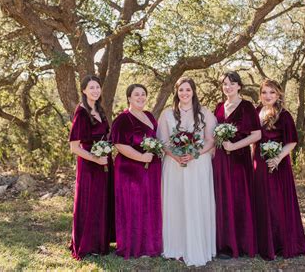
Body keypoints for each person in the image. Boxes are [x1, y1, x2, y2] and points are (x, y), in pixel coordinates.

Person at [158, 77, 217, 267]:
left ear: (193, 91)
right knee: (176, 202)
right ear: (176, 92)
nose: (184, 93)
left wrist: (194, 154)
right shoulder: (167, 114)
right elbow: (164, 141)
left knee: (196, 201)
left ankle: (198, 244)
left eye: (188, 90)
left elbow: (210, 140)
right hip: (174, 164)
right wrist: (175, 155)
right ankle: (176, 245)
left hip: (198, 163)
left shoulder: (205, 113)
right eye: (181, 90)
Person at [254, 79, 305, 259]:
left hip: (278, 165)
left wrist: (277, 158)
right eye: (264, 92)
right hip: (259, 164)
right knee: (261, 201)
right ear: (260, 94)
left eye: (272, 93)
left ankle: (278, 245)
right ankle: (262, 244)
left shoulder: (284, 115)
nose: (267, 96)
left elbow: (292, 141)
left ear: (278, 95)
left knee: (276, 203)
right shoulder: (256, 112)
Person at [109, 84, 162, 259]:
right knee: (133, 207)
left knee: (149, 205)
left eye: (143, 94)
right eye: (136, 94)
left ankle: (150, 245)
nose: (140, 97)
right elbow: (119, 145)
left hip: (151, 170)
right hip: (130, 171)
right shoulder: (123, 119)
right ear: (129, 98)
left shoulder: (149, 116)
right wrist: (142, 158)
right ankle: (133, 247)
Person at [212, 71, 261, 258]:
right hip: (220, 159)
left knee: (239, 197)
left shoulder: (247, 107)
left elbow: (256, 135)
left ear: (239, 86)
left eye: (232, 83)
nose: (228, 87)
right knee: (221, 198)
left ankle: (240, 244)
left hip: (239, 159)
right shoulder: (218, 107)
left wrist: (234, 146)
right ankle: (223, 243)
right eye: (225, 84)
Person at [69, 74, 114, 260]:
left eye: (97, 87)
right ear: (84, 90)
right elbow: (74, 147)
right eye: (91, 87)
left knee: (101, 201)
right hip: (89, 165)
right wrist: (95, 159)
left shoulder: (99, 110)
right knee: (89, 201)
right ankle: (86, 244)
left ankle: (100, 243)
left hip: (103, 162)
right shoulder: (82, 112)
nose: (95, 90)